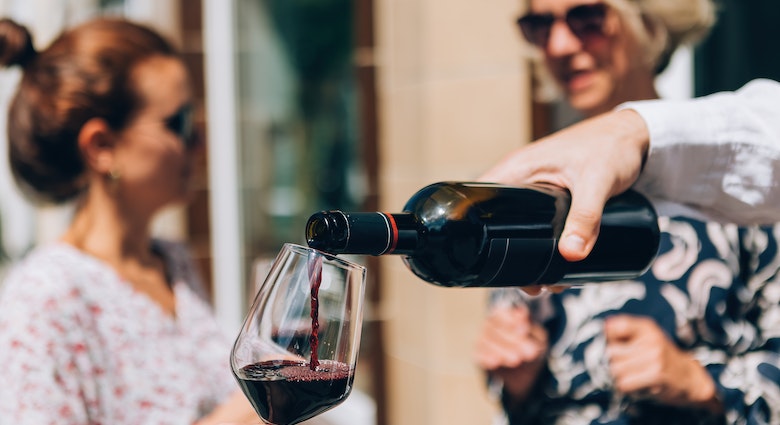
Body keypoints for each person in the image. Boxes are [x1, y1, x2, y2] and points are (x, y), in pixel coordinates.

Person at [474, 0, 780, 423]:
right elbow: (512, 378)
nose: (560, 45)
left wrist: (699, 382)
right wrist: (514, 374)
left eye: (588, 19)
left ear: (648, 21)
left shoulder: (742, 182)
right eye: (540, 25)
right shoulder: (534, 192)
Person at [0, 18, 259, 424]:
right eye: (179, 123)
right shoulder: (44, 298)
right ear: (102, 147)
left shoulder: (172, 261)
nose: (199, 143)